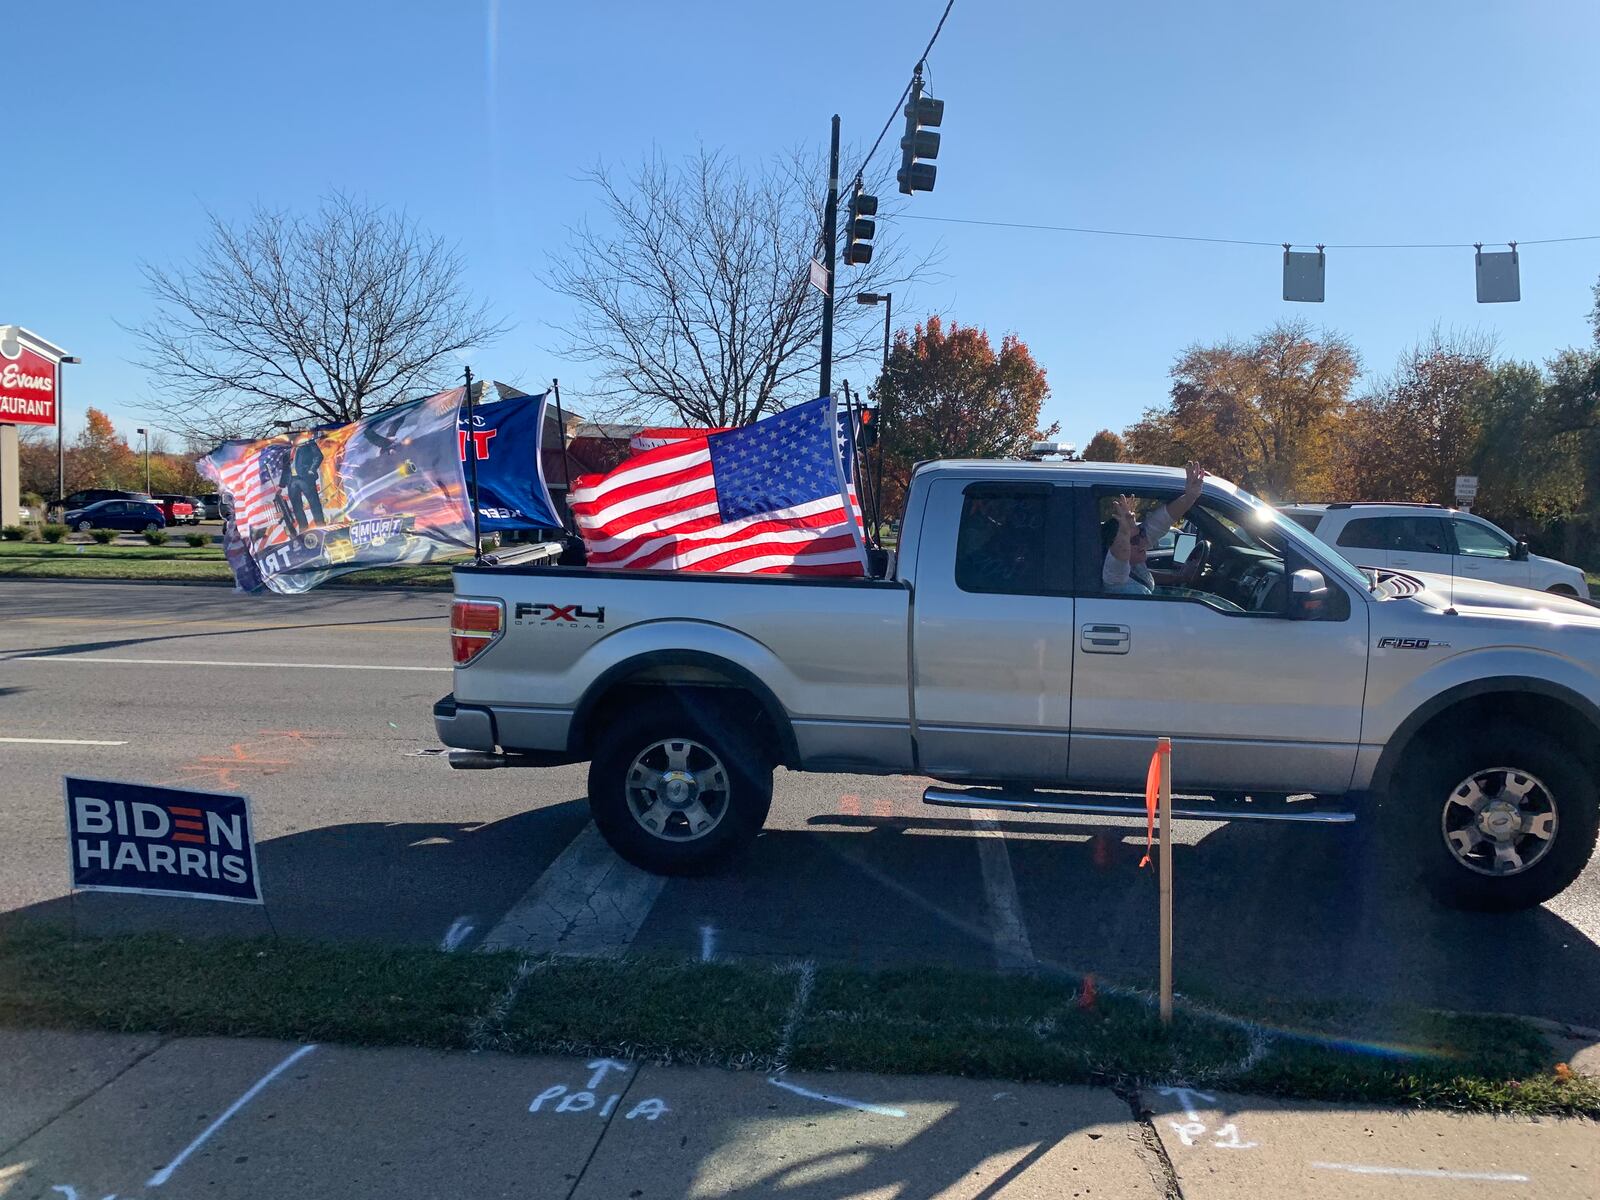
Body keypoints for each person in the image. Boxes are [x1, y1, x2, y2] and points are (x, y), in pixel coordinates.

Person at [1102, 462, 1207, 594]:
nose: (1142, 542)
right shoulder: (1113, 574)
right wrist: (1124, 530)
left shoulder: (1134, 561)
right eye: (1134, 541)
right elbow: (1119, 554)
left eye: (1141, 534)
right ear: (1113, 546)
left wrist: (1190, 497)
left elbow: (1163, 519)